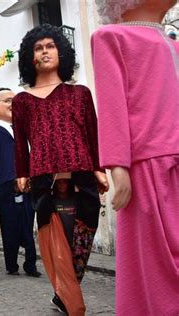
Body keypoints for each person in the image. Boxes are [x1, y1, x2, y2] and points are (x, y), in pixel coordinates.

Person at [13, 24, 109, 315]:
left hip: (81, 170)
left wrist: (99, 167)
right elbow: (20, 143)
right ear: (30, 58)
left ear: (61, 52)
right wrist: (22, 172)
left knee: (83, 236)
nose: (44, 52)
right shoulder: (22, 100)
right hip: (43, 175)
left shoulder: (80, 93)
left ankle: (64, 291)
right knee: (53, 238)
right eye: (38, 48)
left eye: (50, 46)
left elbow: (93, 133)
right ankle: (70, 300)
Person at [91, 1, 178, 314]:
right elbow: (112, 105)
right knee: (152, 266)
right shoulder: (111, 37)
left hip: (175, 164)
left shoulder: (174, 45)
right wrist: (118, 165)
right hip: (146, 169)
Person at [0, 88, 41, 277]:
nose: (13, 104)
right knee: (9, 223)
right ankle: (12, 264)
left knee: (28, 220)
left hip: (28, 180)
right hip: (6, 182)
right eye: (7, 101)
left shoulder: (22, 126)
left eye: (15, 100)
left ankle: (31, 264)